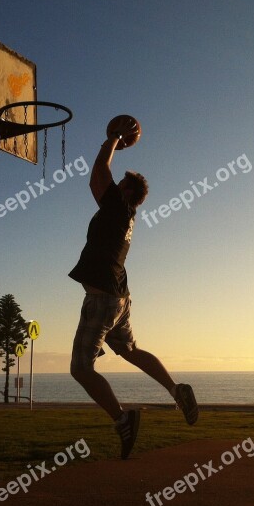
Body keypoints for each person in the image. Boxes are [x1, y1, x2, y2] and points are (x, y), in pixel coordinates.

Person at [69, 116, 198, 460]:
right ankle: (176, 388)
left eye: (120, 183)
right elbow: (102, 179)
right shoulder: (126, 216)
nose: (114, 185)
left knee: (81, 369)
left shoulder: (118, 206)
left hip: (103, 299)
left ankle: (123, 419)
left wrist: (113, 138)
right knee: (129, 351)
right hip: (120, 298)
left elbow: (99, 172)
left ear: (125, 192)